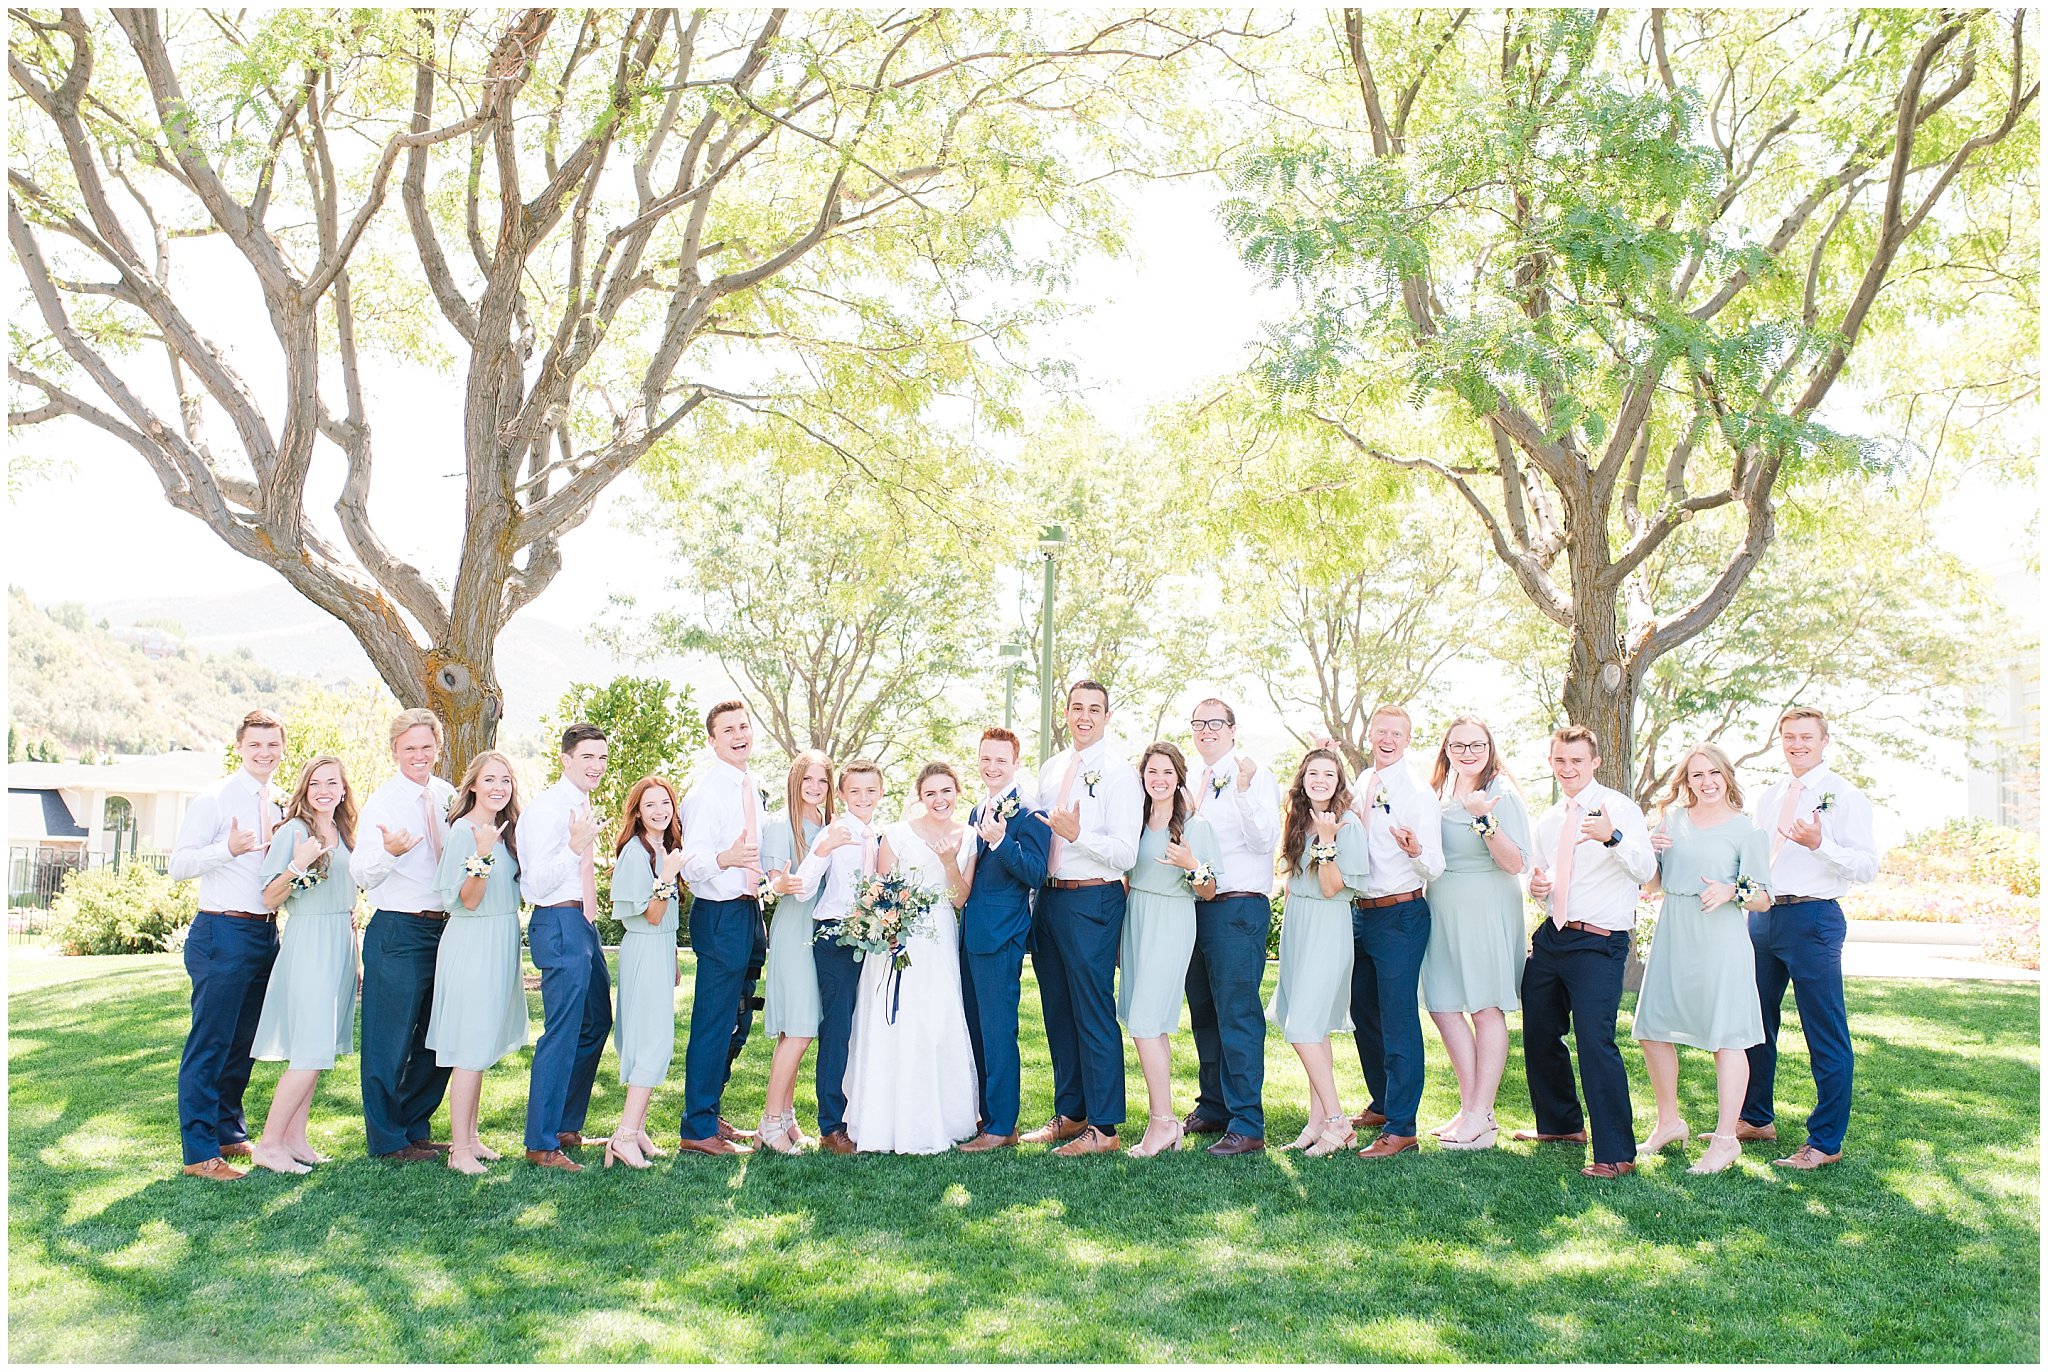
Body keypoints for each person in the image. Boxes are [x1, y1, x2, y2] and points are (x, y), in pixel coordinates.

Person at [1742, 707, 1879, 1170]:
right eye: (1788, 737)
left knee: (1825, 1032)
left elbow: (1867, 867)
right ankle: (1755, 1118)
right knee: (1753, 1023)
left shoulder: (1845, 795)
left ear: (1824, 741)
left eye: (1805, 737)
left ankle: (1824, 1142)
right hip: (1764, 917)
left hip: (1815, 918)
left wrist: (1821, 844)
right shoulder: (1771, 794)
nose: (1796, 744)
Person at [1520, 725, 1655, 1179]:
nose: (1568, 769)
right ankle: (1561, 1125)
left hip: (1600, 943)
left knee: (1595, 1042)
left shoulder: (1620, 809)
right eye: (1560, 760)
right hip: (1553, 936)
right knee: (1539, 1031)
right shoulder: (1550, 818)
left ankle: (1616, 1153)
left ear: (1594, 762)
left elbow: (1645, 868)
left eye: (1577, 760)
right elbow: (1547, 881)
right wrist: (1539, 888)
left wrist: (1612, 837)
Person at [1635, 743, 1772, 1176]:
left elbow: (1765, 898)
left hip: (1720, 940)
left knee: (1726, 1037)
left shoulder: (1746, 831)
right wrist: (1651, 853)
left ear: (1727, 775)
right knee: (1652, 1029)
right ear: (1686, 782)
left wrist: (1732, 889)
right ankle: (1669, 1122)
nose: (1706, 782)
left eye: (1713, 773)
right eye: (1697, 775)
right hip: (1674, 931)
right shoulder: (1672, 821)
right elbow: (1654, 885)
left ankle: (1727, 1140)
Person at [1024, 680, 1141, 1157]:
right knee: (1057, 1010)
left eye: (1095, 709)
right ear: (1065, 712)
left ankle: (1105, 1127)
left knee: (1093, 1012)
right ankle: (1071, 1113)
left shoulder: (1118, 773)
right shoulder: (1052, 769)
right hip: (1048, 900)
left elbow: (1126, 852)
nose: (1085, 716)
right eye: (1077, 708)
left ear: (1107, 716)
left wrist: (1079, 835)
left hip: (1093, 901)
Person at [169, 709, 287, 1180]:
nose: (264, 753)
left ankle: (227, 1130)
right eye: (255, 745)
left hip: (264, 932)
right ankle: (200, 1153)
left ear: (282, 748)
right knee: (210, 1042)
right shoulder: (214, 799)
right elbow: (179, 864)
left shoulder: (280, 801)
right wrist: (229, 850)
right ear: (239, 746)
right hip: (222, 931)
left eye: (273, 745)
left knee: (245, 1041)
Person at [840, 762, 981, 1153]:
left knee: (935, 1019)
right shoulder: (897, 834)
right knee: (894, 1020)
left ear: (957, 793)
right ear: (920, 797)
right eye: (931, 792)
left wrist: (951, 862)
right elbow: (882, 888)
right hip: (897, 936)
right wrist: (890, 929)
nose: (940, 800)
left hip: (939, 938)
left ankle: (939, 1116)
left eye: (947, 791)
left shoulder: (969, 837)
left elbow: (960, 899)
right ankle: (883, 1117)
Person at [349, 707, 458, 1161]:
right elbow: (361, 872)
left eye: (426, 747)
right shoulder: (383, 803)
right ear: (395, 751)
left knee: (439, 1039)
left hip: (447, 931)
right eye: (410, 748)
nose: (419, 755)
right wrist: (390, 853)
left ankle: (414, 1125)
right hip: (398, 929)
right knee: (387, 1041)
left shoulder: (448, 795)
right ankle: (386, 1139)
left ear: (438, 748)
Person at [1419, 717, 1530, 1151]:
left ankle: (1482, 1112)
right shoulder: (1440, 794)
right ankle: (1472, 1109)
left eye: (1476, 744)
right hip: (1442, 906)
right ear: (1446, 748)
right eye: (1459, 745)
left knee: (1485, 1007)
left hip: (1487, 904)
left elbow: (1514, 862)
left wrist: (1485, 820)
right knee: (1444, 1005)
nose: (1468, 752)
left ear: (1490, 746)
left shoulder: (1502, 793)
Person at [247, 756, 360, 1175]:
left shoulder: (344, 833)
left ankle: (296, 1138)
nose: (324, 790)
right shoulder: (294, 831)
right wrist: (299, 864)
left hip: (340, 942)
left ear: (343, 789)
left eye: (332, 782)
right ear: (304, 789)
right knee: (309, 1051)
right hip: (309, 941)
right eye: (316, 783)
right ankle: (270, 1143)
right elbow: (269, 897)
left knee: (320, 1047)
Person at [1179, 699, 1281, 1158]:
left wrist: (1241, 789)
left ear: (1233, 730)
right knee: (1204, 1011)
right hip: (1196, 905)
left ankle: (1248, 1123)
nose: (1205, 731)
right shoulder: (1189, 781)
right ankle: (1214, 1105)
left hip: (1238, 907)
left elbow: (1263, 840)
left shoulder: (1253, 776)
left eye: (1214, 723)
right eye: (1198, 724)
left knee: (1237, 1013)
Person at [1347, 705, 1446, 1160]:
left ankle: (1402, 1126)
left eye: (1397, 733)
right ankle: (1383, 1101)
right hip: (1361, 913)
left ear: (1408, 739)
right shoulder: (1365, 782)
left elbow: (1436, 866)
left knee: (1398, 1017)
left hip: (1401, 913)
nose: (1388, 739)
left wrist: (1416, 850)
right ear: (1371, 734)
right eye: (1381, 731)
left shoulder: (1417, 792)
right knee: (1362, 1008)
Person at [426, 751, 529, 1175]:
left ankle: (471, 1138)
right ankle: (459, 1151)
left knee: (482, 1041)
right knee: (469, 1046)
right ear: (472, 785)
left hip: (502, 939)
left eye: (505, 780)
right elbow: (465, 900)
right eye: (490, 779)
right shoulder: (462, 833)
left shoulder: (507, 832)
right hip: (473, 940)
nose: (498, 787)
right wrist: (483, 854)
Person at [515, 722, 612, 1172]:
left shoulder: (582, 804)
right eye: (587, 757)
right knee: (562, 1030)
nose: (596, 766)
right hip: (557, 920)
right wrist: (574, 848)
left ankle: (565, 1126)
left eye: (602, 758)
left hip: (582, 922)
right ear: (566, 759)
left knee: (597, 1019)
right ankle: (540, 1142)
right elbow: (533, 884)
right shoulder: (545, 811)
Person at [677, 701, 771, 1155]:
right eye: (728, 729)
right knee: (715, 1022)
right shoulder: (706, 793)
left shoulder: (750, 786)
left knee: (739, 1017)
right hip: (721, 916)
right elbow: (691, 866)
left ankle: (710, 1111)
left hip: (749, 912)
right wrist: (725, 859)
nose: (739, 734)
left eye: (744, 727)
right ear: (712, 740)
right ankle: (696, 1130)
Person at [1120, 742, 1221, 1158]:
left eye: (1167, 772)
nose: (1158, 779)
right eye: (1151, 772)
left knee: (1145, 1024)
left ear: (1179, 777)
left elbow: (1210, 890)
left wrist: (1190, 864)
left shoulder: (1195, 826)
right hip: (1136, 918)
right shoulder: (1136, 821)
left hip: (1171, 919)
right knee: (1148, 1023)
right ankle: (1165, 1121)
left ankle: (1162, 1123)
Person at [1267, 747, 1368, 1158]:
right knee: (1315, 1028)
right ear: (1303, 778)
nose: (1320, 780)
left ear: (1339, 780)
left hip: (1328, 924)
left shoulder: (1348, 826)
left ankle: (1338, 1121)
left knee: (1303, 1028)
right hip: (1298, 925)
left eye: (1329, 774)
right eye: (1313, 773)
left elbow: (1331, 888)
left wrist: (1327, 841)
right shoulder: (1297, 820)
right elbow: (1292, 880)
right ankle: (1315, 1123)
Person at [957, 728, 1049, 1152]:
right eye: (985, 759)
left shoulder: (1029, 813)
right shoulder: (978, 808)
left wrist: (1001, 841)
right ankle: (985, 1115)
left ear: (1015, 762)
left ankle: (1002, 1126)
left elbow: (1034, 872)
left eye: (999, 760)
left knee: (997, 1032)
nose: (991, 766)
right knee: (975, 1029)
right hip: (970, 933)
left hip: (1001, 936)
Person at [794, 759, 887, 1156]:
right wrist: (824, 850)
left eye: (870, 790)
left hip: (875, 938)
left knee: (868, 1024)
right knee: (838, 1029)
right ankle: (831, 1125)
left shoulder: (881, 835)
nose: (863, 798)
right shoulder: (834, 832)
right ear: (843, 795)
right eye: (855, 791)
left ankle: (865, 1110)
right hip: (836, 937)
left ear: (881, 793)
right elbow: (801, 889)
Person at [605, 776, 688, 1169]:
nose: (660, 811)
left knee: (657, 1040)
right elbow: (652, 916)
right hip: (643, 946)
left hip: (661, 948)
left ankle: (637, 1130)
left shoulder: (663, 846)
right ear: (637, 811)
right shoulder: (635, 854)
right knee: (649, 1042)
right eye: (651, 805)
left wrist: (671, 958)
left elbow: (667, 921)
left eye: (666, 803)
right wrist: (668, 877)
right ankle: (622, 1137)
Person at [757, 751, 834, 1153]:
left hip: (822, 928)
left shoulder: (829, 824)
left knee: (798, 1027)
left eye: (822, 781)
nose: (816, 788)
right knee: (800, 1028)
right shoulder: (779, 824)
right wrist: (783, 882)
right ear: (795, 781)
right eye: (809, 780)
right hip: (794, 928)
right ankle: (770, 1122)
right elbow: (776, 885)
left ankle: (784, 1118)